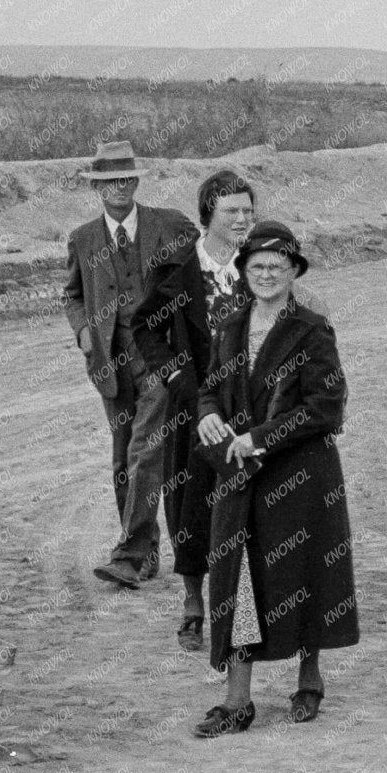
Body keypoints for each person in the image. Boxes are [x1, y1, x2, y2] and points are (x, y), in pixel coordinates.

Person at [191, 221, 360, 736]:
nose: (266, 274)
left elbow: (326, 409)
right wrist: (206, 414)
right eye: (256, 266)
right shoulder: (229, 325)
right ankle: (237, 701)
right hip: (239, 476)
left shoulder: (312, 330)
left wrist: (260, 435)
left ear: (293, 272)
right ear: (243, 272)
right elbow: (211, 389)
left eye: (277, 266)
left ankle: (309, 680)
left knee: (303, 573)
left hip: (300, 475)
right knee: (237, 577)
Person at [62, 139, 201, 590]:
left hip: (160, 357)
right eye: (108, 181)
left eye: (125, 178)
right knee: (123, 460)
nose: (118, 187)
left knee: (145, 450)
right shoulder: (83, 239)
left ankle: (128, 553)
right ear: (97, 188)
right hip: (110, 362)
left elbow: (199, 247)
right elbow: (73, 294)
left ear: (136, 181)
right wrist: (83, 330)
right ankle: (147, 550)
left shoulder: (170, 225)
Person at [132, 167, 259, 657]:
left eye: (248, 210)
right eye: (232, 211)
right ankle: (192, 605)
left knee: (250, 499)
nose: (242, 220)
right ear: (209, 214)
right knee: (190, 502)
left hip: (249, 407)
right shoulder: (179, 268)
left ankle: (246, 606)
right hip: (192, 407)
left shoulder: (261, 262)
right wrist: (176, 378)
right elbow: (144, 328)